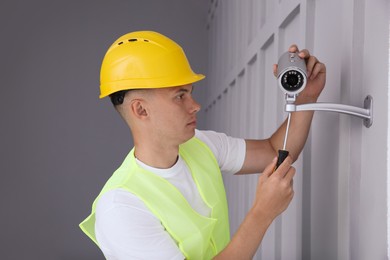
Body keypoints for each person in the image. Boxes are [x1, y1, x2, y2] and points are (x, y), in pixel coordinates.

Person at [80, 31, 326, 259]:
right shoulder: (121, 208)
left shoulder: (200, 145)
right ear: (141, 109)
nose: (195, 105)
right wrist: (262, 213)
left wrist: (305, 99)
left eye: (190, 92)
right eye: (180, 96)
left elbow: (274, 152)